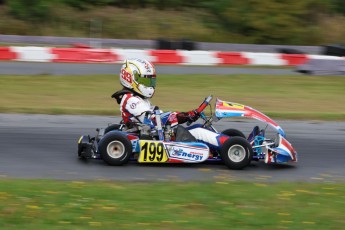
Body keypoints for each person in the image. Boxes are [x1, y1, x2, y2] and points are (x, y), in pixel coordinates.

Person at [111, 58, 200, 129]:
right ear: (129, 78)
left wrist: (185, 116)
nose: (149, 84)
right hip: (149, 137)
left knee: (198, 127)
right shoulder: (131, 100)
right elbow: (153, 121)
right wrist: (184, 116)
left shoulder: (140, 99)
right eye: (144, 80)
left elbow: (157, 116)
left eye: (150, 81)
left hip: (157, 133)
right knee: (199, 133)